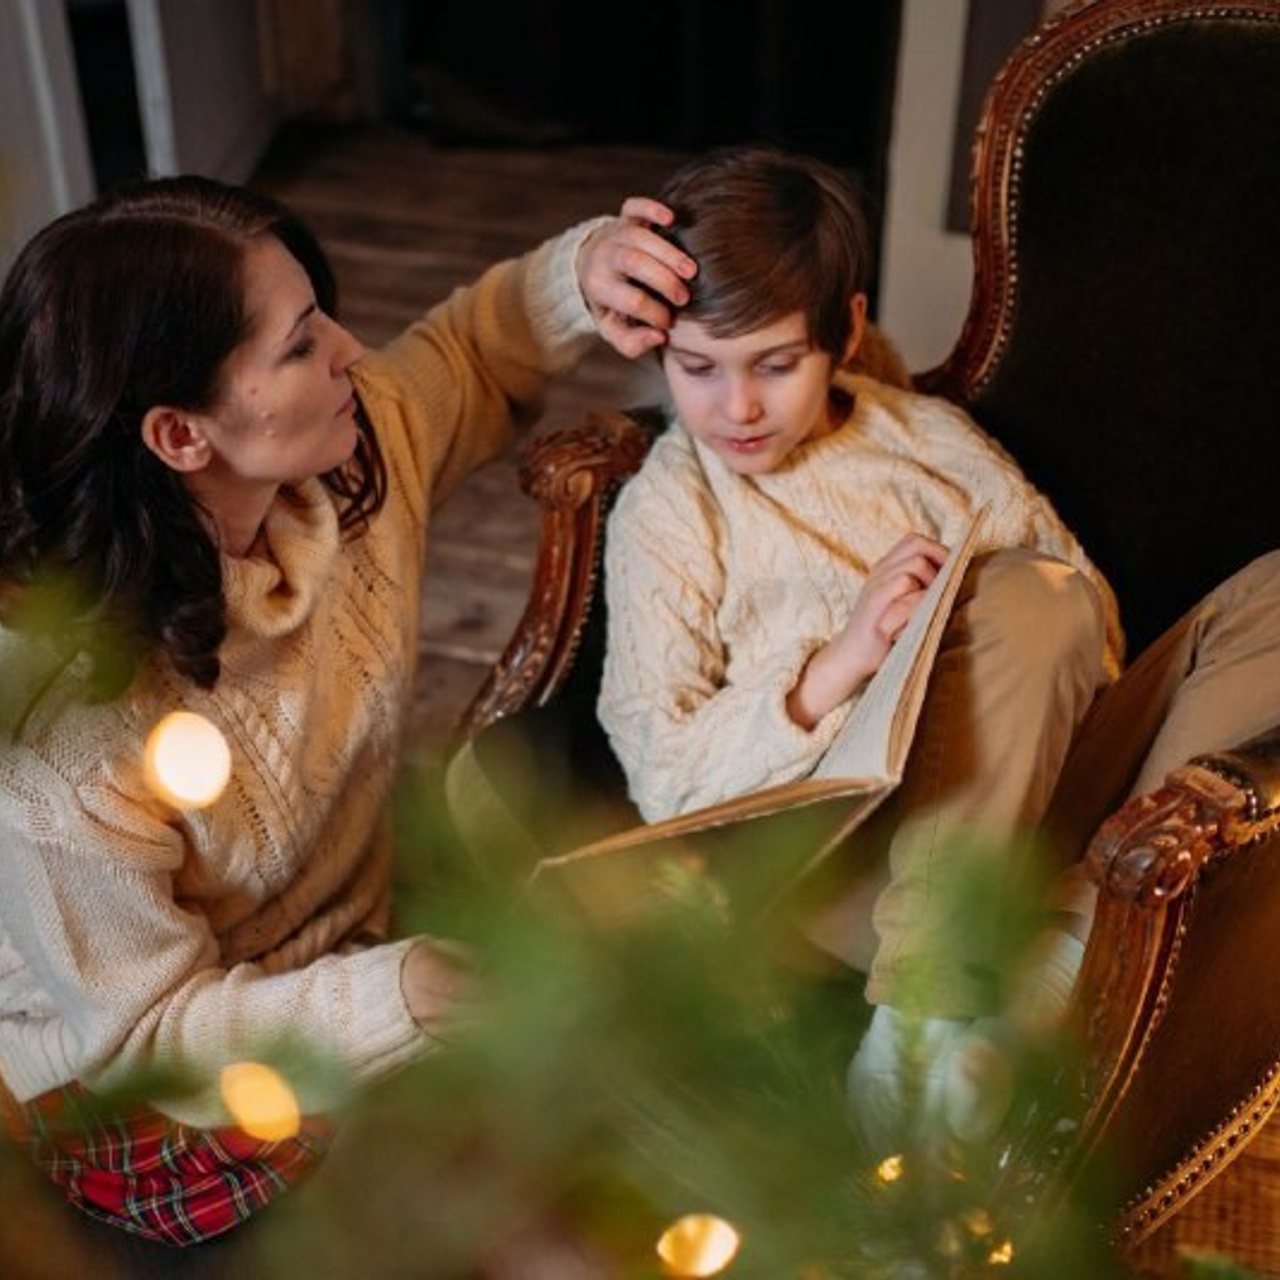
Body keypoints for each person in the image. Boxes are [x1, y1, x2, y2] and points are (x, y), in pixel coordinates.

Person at [0, 171, 695, 1252]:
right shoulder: (62, 729)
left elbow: (465, 349)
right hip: (161, 1082)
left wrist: (582, 267)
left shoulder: (343, 461)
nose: (350, 352)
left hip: (352, 941)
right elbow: (145, 1035)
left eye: (318, 312)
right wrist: (405, 991)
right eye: (297, 345)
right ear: (181, 435)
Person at [593, 144, 1280, 1146]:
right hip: (837, 863)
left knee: (1159, 594)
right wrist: (842, 663)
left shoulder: (923, 438)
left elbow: (1084, 627)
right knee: (1023, 596)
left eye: (774, 365)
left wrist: (963, 643)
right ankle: (927, 1021)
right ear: (660, 355)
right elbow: (663, 778)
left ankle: (1075, 928)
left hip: (1019, 796)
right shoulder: (669, 509)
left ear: (844, 334)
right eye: (697, 369)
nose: (734, 408)